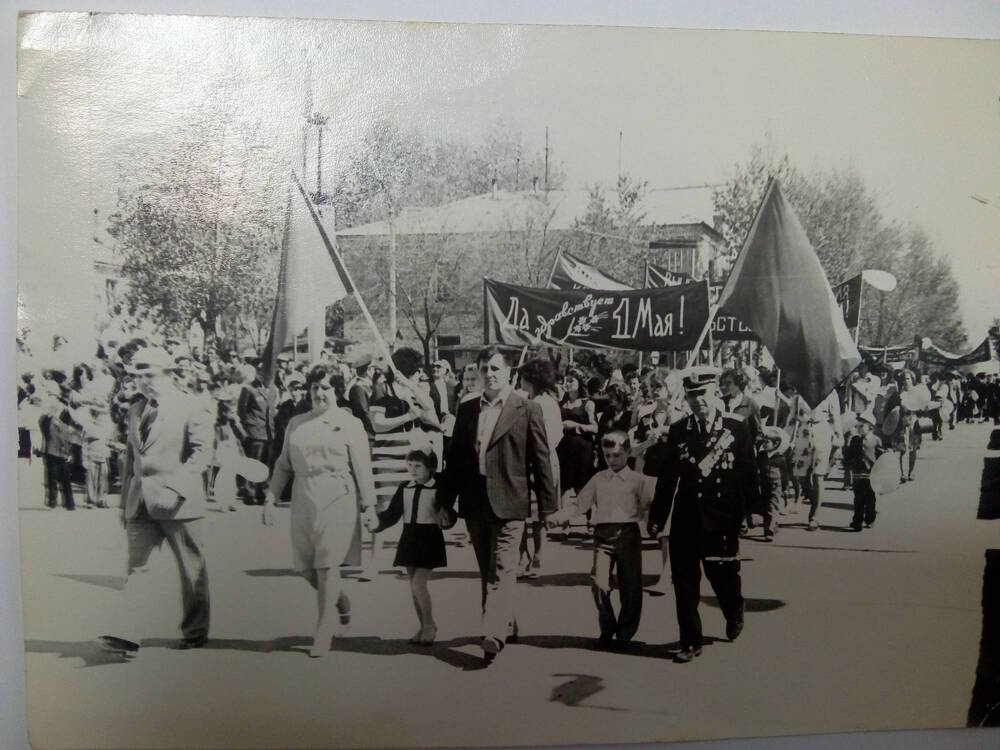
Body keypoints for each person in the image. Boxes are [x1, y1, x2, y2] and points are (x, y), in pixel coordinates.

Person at [436, 345, 558, 664]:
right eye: (484, 369)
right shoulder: (467, 409)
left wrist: (549, 507)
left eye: (495, 369)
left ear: (510, 373)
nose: (489, 375)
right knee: (487, 571)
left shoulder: (527, 409)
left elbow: (541, 459)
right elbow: (456, 461)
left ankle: (492, 633)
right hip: (475, 503)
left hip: (511, 502)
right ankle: (507, 620)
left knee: (501, 569)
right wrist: (445, 502)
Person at [99, 347, 214, 656]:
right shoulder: (136, 408)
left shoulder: (193, 407)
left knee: (192, 572)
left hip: (179, 502)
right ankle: (127, 634)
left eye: (150, 375)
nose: (144, 382)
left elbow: (202, 454)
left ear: (168, 374)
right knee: (137, 568)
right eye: (138, 376)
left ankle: (195, 631)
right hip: (141, 502)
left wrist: (176, 488)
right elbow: (130, 457)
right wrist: (124, 502)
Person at [262, 365, 378, 658]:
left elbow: (362, 467)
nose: (319, 393)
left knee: (328, 564)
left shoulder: (349, 423)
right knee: (305, 568)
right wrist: (270, 499)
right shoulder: (296, 423)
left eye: (325, 387)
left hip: (338, 494)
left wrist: (369, 506)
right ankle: (340, 602)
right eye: (314, 387)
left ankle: (323, 629)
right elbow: (283, 464)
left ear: (337, 391)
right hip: (303, 496)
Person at [647, 367, 760, 663]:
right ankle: (689, 641)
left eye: (703, 394)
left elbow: (748, 473)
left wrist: (752, 512)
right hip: (687, 517)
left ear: (715, 394)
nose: (698, 400)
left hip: (722, 517)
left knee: (722, 577)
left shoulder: (736, 428)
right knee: (684, 582)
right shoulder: (679, 430)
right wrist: (657, 516)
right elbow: (668, 478)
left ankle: (734, 608)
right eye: (692, 395)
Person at [546, 431, 656, 649]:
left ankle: (625, 633)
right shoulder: (598, 479)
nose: (612, 460)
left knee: (631, 587)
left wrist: (653, 526)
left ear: (627, 452)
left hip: (629, 535)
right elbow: (580, 504)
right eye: (607, 456)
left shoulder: (638, 480)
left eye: (617, 455)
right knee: (598, 583)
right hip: (603, 535)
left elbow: (647, 505)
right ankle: (607, 627)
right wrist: (558, 517)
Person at [368, 447, 448, 645]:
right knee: (413, 587)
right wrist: (376, 523)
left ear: (430, 468)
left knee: (419, 584)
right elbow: (392, 514)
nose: (413, 470)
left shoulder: (438, 487)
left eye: (418, 466)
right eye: (410, 465)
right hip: (409, 538)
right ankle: (423, 627)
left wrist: (447, 517)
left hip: (429, 539)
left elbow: (448, 513)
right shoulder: (405, 487)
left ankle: (429, 625)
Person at [516, 357, 563, 577]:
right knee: (521, 512)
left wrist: (537, 456)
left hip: (542, 462)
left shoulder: (547, 403)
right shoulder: (522, 399)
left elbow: (554, 434)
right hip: (522, 463)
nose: (520, 381)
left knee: (541, 512)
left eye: (523, 377)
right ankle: (522, 555)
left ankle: (539, 556)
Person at [788, 387, 843, 530]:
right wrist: (784, 438)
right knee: (802, 477)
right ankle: (815, 502)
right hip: (804, 434)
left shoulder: (830, 392)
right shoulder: (798, 393)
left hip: (822, 433)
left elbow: (835, 417)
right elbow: (792, 418)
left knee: (818, 476)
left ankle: (815, 515)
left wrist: (839, 438)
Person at [558, 368, 597, 504]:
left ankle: (590, 518)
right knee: (563, 486)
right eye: (565, 381)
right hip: (564, 447)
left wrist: (575, 425)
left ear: (579, 383)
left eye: (571, 381)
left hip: (582, 449)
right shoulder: (561, 403)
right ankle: (563, 521)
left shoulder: (588, 404)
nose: (567, 384)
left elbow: (595, 428)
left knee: (581, 486)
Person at [236, 361, 271, 505]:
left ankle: (262, 492)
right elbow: (242, 410)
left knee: (265, 463)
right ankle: (249, 493)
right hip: (254, 431)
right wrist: (247, 427)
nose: (263, 376)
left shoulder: (269, 390)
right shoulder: (248, 389)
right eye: (261, 372)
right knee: (253, 462)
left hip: (267, 432)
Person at [844, 411, 882, 531]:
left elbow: (881, 456)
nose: (859, 428)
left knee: (870, 498)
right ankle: (857, 521)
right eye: (857, 426)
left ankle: (870, 519)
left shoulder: (876, 440)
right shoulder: (855, 440)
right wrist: (847, 462)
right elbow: (849, 455)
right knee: (858, 498)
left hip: (871, 474)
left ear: (870, 427)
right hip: (858, 474)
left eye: (861, 426)